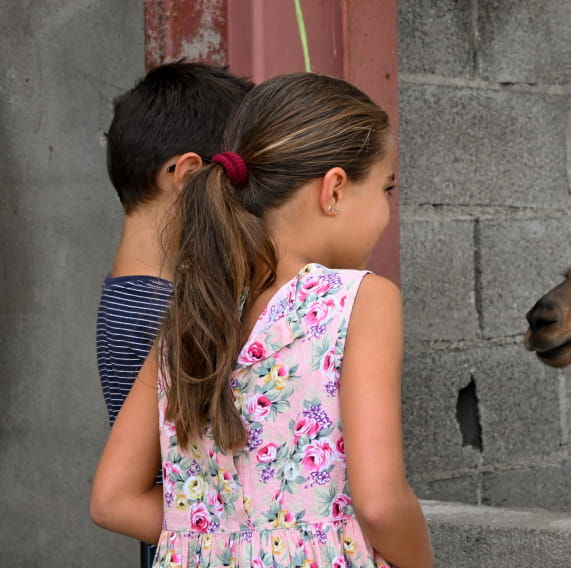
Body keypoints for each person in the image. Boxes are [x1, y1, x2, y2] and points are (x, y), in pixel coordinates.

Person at [90, 72, 433, 567]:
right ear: (334, 189)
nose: (386, 209)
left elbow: (112, 501)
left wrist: (233, 542)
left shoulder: (193, 310)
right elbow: (379, 501)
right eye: (386, 188)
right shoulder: (360, 299)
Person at [96, 61, 252, 566]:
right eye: (240, 179)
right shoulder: (167, 312)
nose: (251, 204)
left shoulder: (138, 293)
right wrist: (259, 538)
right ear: (186, 175)